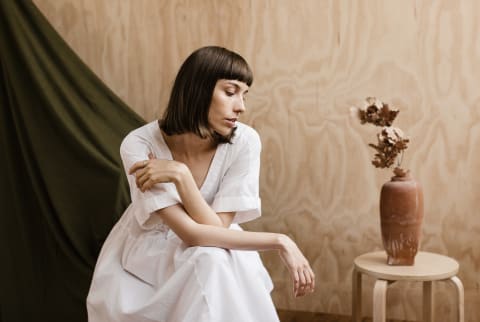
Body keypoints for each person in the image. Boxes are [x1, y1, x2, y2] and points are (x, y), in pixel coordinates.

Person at [86, 46, 315, 322]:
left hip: (217, 238)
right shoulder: (139, 144)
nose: (241, 106)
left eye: (244, 94)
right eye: (230, 92)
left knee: (212, 261)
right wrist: (277, 242)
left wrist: (181, 177)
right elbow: (190, 234)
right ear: (198, 90)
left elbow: (215, 228)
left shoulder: (245, 141)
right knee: (210, 262)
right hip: (149, 251)